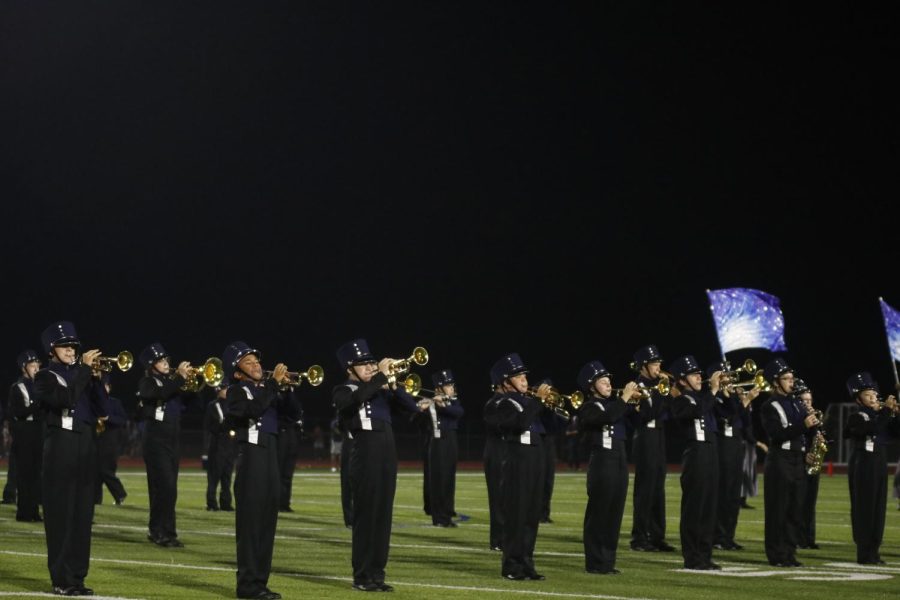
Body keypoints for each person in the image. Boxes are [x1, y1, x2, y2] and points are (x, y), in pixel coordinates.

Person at [332, 339, 424, 592]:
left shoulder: (382, 390)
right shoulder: (344, 390)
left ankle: (377, 574)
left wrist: (393, 385)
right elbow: (352, 403)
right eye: (364, 364)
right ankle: (362, 576)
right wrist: (380, 378)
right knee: (366, 517)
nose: (371, 367)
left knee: (383, 517)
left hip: (387, 454)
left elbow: (411, 408)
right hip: (364, 454)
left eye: (372, 363)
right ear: (350, 368)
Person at [33, 321, 109, 596]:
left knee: (81, 516)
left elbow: (103, 409)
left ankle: (77, 577)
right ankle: (61, 579)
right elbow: (65, 399)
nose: (71, 350)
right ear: (52, 349)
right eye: (65, 345)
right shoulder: (44, 376)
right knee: (61, 516)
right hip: (61, 447)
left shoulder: (83, 375)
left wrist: (97, 381)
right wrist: (86, 371)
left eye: (73, 346)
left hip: (86, 445)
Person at [223, 341, 287, 600]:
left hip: (271, 453)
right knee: (251, 524)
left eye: (257, 361)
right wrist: (272, 386)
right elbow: (252, 410)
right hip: (250, 456)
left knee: (267, 523)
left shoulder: (267, 391)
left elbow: (292, 414)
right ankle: (247, 585)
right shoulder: (236, 392)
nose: (257, 365)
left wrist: (286, 391)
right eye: (248, 362)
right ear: (238, 373)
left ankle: (260, 583)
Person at [484, 353, 550, 581]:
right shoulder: (497, 403)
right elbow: (520, 424)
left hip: (534, 457)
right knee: (517, 515)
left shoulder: (525, 400)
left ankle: (527, 563)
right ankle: (512, 565)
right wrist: (538, 401)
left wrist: (548, 404)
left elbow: (547, 427)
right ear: (504, 381)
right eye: (518, 376)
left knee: (532, 515)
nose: (524, 380)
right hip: (515, 460)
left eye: (523, 375)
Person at [578, 360, 638, 575]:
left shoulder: (616, 405)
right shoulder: (589, 407)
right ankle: (594, 562)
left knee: (615, 513)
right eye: (603, 382)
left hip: (621, 460)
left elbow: (641, 418)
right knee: (599, 513)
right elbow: (607, 416)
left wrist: (639, 402)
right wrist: (624, 398)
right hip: (602, 461)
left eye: (609, 381)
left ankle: (608, 561)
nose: (609, 384)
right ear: (592, 386)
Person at [760, 357, 818, 568]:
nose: (791, 382)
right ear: (776, 382)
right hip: (780, 461)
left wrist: (813, 428)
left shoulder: (796, 402)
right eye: (786, 378)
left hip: (797, 460)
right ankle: (776, 554)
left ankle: (790, 552)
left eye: (792, 378)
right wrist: (803, 424)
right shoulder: (769, 406)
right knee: (778, 509)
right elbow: (776, 435)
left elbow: (805, 431)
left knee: (795, 509)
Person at [668, 355, 721, 570]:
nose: (700, 377)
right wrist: (714, 390)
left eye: (699, 373)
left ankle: (705, 555)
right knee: (694, 508)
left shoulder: (703, 398)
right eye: (694, 374)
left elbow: (726, 412)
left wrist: (724, 392)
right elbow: (695, 411)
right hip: (695, 454)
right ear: (682, 380)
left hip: (710, 452)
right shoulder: (681, 400)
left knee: (709, 507)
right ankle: (692, 557)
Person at [136, 343, 191, 548]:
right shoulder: (147, 382)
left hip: (172, 440)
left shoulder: (172, 384)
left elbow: (191, 404)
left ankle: (168, 531)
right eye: (161, 361)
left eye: (166, 360)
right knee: (163, 486)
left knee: (171, 489)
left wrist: (197, 387)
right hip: (155, 439)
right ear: (152, 365)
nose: (166, 364)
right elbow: (158, 394)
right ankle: (158, 531)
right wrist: (180, 379)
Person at [845, 372, 900, 565]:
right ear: (858, 398)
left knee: (878, 510)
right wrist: (885, 411)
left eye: (874, 394)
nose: (873, 397)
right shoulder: (857, 415)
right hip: (863, 464)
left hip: (879, 463)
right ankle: (864, 553)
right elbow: (871, 429)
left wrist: (896, 413)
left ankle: (874, 551)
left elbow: (894, 432)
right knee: (865, 509)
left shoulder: (878, 416)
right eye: (868, 395)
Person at [629, 344, 674, 552]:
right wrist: (664, 391)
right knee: (645, 488)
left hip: (659, 435)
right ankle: (639, 538)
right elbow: (650, 413)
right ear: (644, 366)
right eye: (654, 364)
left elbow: (669, 412)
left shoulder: (657, 386)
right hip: (645, 436)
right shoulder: (638, 386)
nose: (658, 367)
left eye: (659, 363)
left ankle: (657, 536)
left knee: (658, 488)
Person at [711, 361, 758, 550]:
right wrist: (745, 402)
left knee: (733, 496)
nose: (730, 379)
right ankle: (718, 537)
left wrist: (743, 401)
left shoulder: (732, 398)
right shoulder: (715, 398)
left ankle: (728, 536)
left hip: (736, 445)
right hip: (722, 447)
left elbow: (745, 422)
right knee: (722, 494)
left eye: (731, 376)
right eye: (726, 376)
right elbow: (727, 418)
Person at [425, 369, 464, 528]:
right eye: (448, 386)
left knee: (449, 479)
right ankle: (438, 517)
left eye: (451, 385)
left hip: (451, 442)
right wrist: (425, 405)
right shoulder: (429, 402)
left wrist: (444, 405)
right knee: (438, 480)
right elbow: (414, 416)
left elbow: (459, 412)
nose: (452, 388)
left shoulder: (453, 402)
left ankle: (447, 514)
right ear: (438, 389)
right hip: (437, 442)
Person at [8, 350, 44, 522]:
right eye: (32, 365)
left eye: (38, 365)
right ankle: (23, 512)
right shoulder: (17, 387)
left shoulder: (41, 386)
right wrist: (37, 405)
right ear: (24, 368)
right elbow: (17, 412)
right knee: (25, 475)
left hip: (39, 433)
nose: (36, 368)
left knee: (37, 475)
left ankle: (34, 511)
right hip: (25, 434)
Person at [794, 378, 821, 549]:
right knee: (799, 502)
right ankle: (798, 538)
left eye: (810, 400)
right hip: (798, 462)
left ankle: (809, 538)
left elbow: (816, 439)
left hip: (813, 462)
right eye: (804, 400)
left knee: (810, 503)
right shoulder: (796, 418)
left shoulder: (814, 418)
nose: (808, 403)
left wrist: (818, 430)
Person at [94, 377, 128, 506]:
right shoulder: (93, 402)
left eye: (105, 387)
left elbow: (123, 420)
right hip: (95, 440)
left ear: (109, 387)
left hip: (110, 441)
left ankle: (120, 493)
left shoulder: (115, 402)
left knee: (105, 470)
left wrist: (108, 418)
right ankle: (96, 500)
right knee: (95, 472)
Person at [538, 379, 568, 524]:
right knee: (537, 479)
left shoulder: (552, 409)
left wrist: (553, 409)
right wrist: (542, 404)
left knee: (548, 480)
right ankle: (534, 512)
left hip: (549, 443)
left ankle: (544, 513)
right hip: (537, 442)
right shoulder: (536, 405)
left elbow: (560, 425)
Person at [482, 370, 505, 551]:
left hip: (509, 454)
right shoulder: (493, 404)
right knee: (498, 498)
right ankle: (498, 539)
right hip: (497, 454)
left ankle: (507, 537)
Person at [204, 384, 236, 511]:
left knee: (227, 476)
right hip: (217, 444)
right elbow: (209, 425)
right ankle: (211, 503)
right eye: (225, 389)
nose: (227, 391)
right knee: (214, 476)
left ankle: (226, 503)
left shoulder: (231, 405)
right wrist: (222, 428)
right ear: (218, 391)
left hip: (229, 445)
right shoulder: (213, 405)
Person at [276, 384, 303, 513]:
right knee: (278, 471)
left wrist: (290, 391)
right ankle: (275, 502)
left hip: (290, 435)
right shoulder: (273, 394)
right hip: (279, 434)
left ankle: (284, 503)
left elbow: (296, 411)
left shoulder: (290, 395)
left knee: (287, 473)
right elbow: (280, 408)